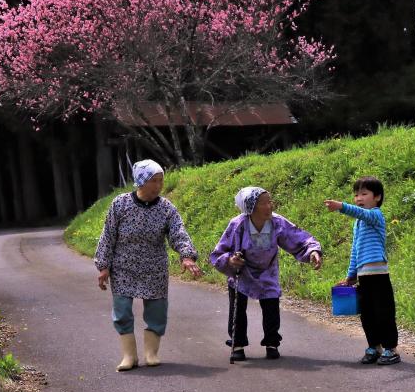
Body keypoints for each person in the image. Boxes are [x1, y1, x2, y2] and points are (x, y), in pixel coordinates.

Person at [94, 159, 202, 371]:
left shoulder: (166, 208)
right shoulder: (120, 204)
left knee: (157, 311)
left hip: (154, 266)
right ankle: (129, 356)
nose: (159, 185)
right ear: (141, 181)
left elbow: (178, 233)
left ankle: (151, 353)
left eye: (161, 180)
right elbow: (108, 236)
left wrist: (186, 256)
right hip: (123, 266)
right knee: (122, 309)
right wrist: (104, 266)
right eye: (154, 180)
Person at [210, 186, 322, 361]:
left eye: (270, 201)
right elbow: (219, 252)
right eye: (265, 203)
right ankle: (237, 345)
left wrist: (313, 252)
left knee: (271, 305)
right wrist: (231, 260)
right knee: (238, 308)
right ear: (251, 207)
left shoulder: (277, 222)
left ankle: (272, 343)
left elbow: (298, 238)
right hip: (243, 271)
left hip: (267, 270)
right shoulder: (238, 224)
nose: (270, 206)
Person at [324, 176, 400, 365]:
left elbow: (361, 213)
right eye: (356, 194)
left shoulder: (375, 215)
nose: (359, 198)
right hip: (364, 277)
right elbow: (355, 250)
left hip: (379, 275)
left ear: (377, 197)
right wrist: (351, 275)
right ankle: (374, 346)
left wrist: (342, 206)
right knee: (367, 314)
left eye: (364, 194)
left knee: (384, 312)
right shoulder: (357, 224)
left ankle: (391, 349)